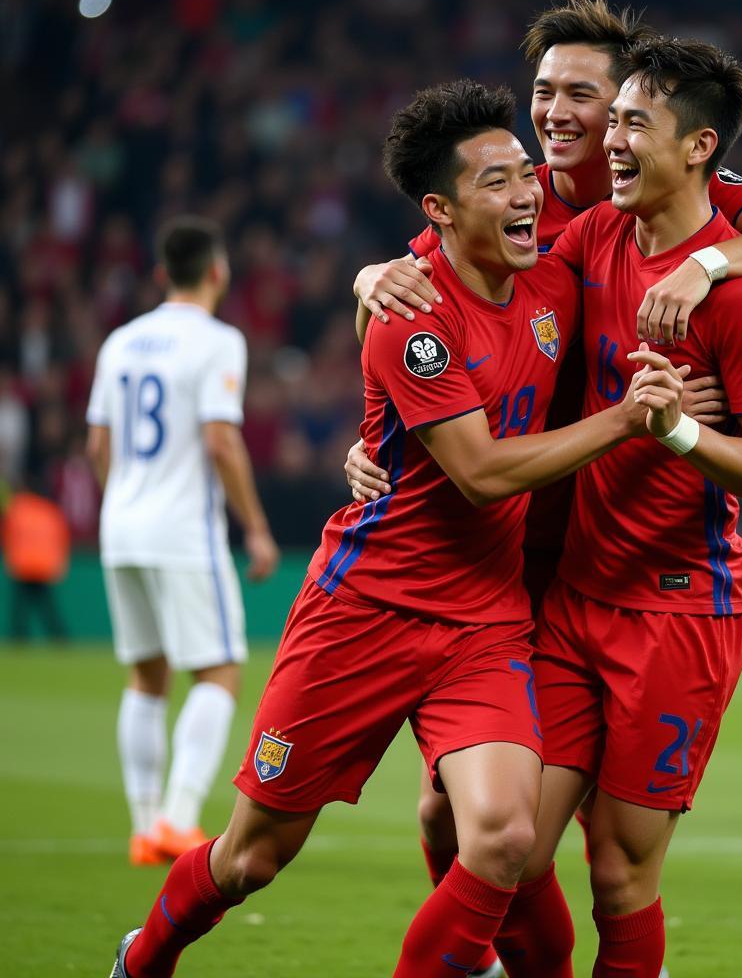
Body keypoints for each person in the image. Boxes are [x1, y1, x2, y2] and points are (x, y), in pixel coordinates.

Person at [109, 79, 671, 978]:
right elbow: (483, 475)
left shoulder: (552, 280)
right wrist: (624, 421)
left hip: (484, 621)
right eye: (497, 182)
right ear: (441, 211)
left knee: (502, 837)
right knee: (253, 856)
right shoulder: (413, 320)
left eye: (525, 173)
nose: (527, 192)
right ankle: (145, 958)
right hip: (366, 609)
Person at [347, 0, 742, 976]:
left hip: (673, 601)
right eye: (551, 96)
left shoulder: (730, 274)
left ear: (688, 144)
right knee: (493, 832)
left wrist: (682, 404)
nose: (579, 122)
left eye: (605, 106)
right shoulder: (574, 228)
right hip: (547, 578)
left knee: (615, 873)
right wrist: (375, 285)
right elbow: (442, 284)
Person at [86, 216, 280, 867]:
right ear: (218, 273)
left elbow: (97, 445)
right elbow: (221, 440)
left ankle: (145, 825)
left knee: (146, 677)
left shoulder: (121, 342)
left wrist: (124, 504)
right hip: (182, 531)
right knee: (220, 671)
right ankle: (176, 818)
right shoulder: (218, 341)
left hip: (122, 527)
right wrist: (254, 527)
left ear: (162, 274)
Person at [1, 480, 70, 642]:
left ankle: (18, 639)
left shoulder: (16, 509)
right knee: (46, 608)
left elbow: (9, 537)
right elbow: (60, 539)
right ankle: (59, 638)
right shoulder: (50, 511)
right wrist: (59, 564)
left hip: (23, 566)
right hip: (43, 566)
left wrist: (9, 561)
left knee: (20, 609)